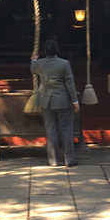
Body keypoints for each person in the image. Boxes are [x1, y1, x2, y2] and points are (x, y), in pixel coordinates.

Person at [30, 38, 80, 167]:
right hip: (62, 100)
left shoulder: (40, 63)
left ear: (45, 51)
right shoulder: (64, 63)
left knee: (51, 131)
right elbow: (70, 83)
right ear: (57, 50)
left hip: (46, 100)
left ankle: (53, 160)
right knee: (66, 131)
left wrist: (34, 59)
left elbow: (33, 69)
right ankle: (69, 159)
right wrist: (75, 100)